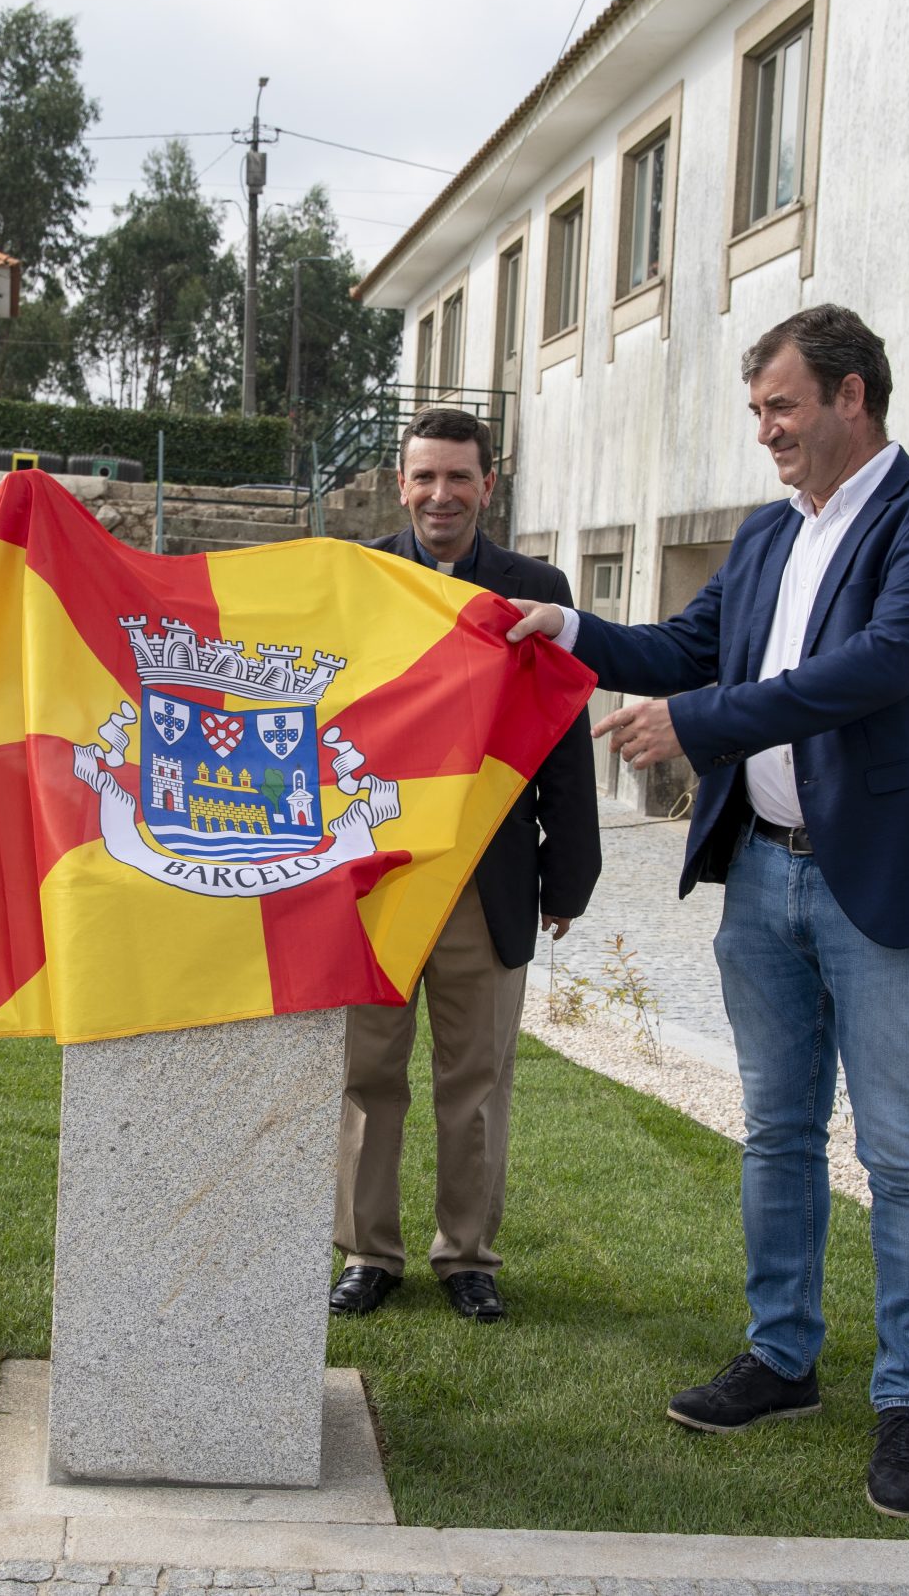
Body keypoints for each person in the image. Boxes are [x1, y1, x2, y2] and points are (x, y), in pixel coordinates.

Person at [506, 305, 909, 1517]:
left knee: (902, 1154)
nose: (766, 430)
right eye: (758, 412)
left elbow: (875, 668)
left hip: (884, 886)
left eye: (782, 406)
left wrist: (703, 725)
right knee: (777, 1134)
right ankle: (782, 1358)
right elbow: (683, 643)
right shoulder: (768, 536)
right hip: (762, 874)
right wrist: (564, 628)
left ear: (850, 397)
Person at [330, 406, 601, 1325]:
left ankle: (467, 1256)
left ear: (490, 484)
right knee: (367, 1074)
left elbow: (561, 742)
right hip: (375, 874)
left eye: (459, 477)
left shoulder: (536, 589)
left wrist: (568, 877)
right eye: (424, 477)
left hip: (486, 883)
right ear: (400, 484)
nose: (440, 494)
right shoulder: (360, 578)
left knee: (475, 1077)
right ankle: (368, 1252)